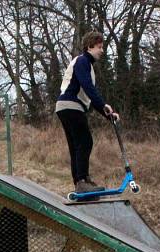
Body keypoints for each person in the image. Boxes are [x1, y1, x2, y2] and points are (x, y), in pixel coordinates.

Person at [55, 31, 120, 194]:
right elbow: (88, 87)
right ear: (89, 46)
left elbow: (89, 96)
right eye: (99, 47)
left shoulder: (85, 64)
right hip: (71, 105)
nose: (102, 50)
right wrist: (104, 104)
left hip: (65, 106)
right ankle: (82, 181)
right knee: (85, 142)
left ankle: (80, 182)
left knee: (76, 146)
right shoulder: (83, 61)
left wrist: (108, 115)